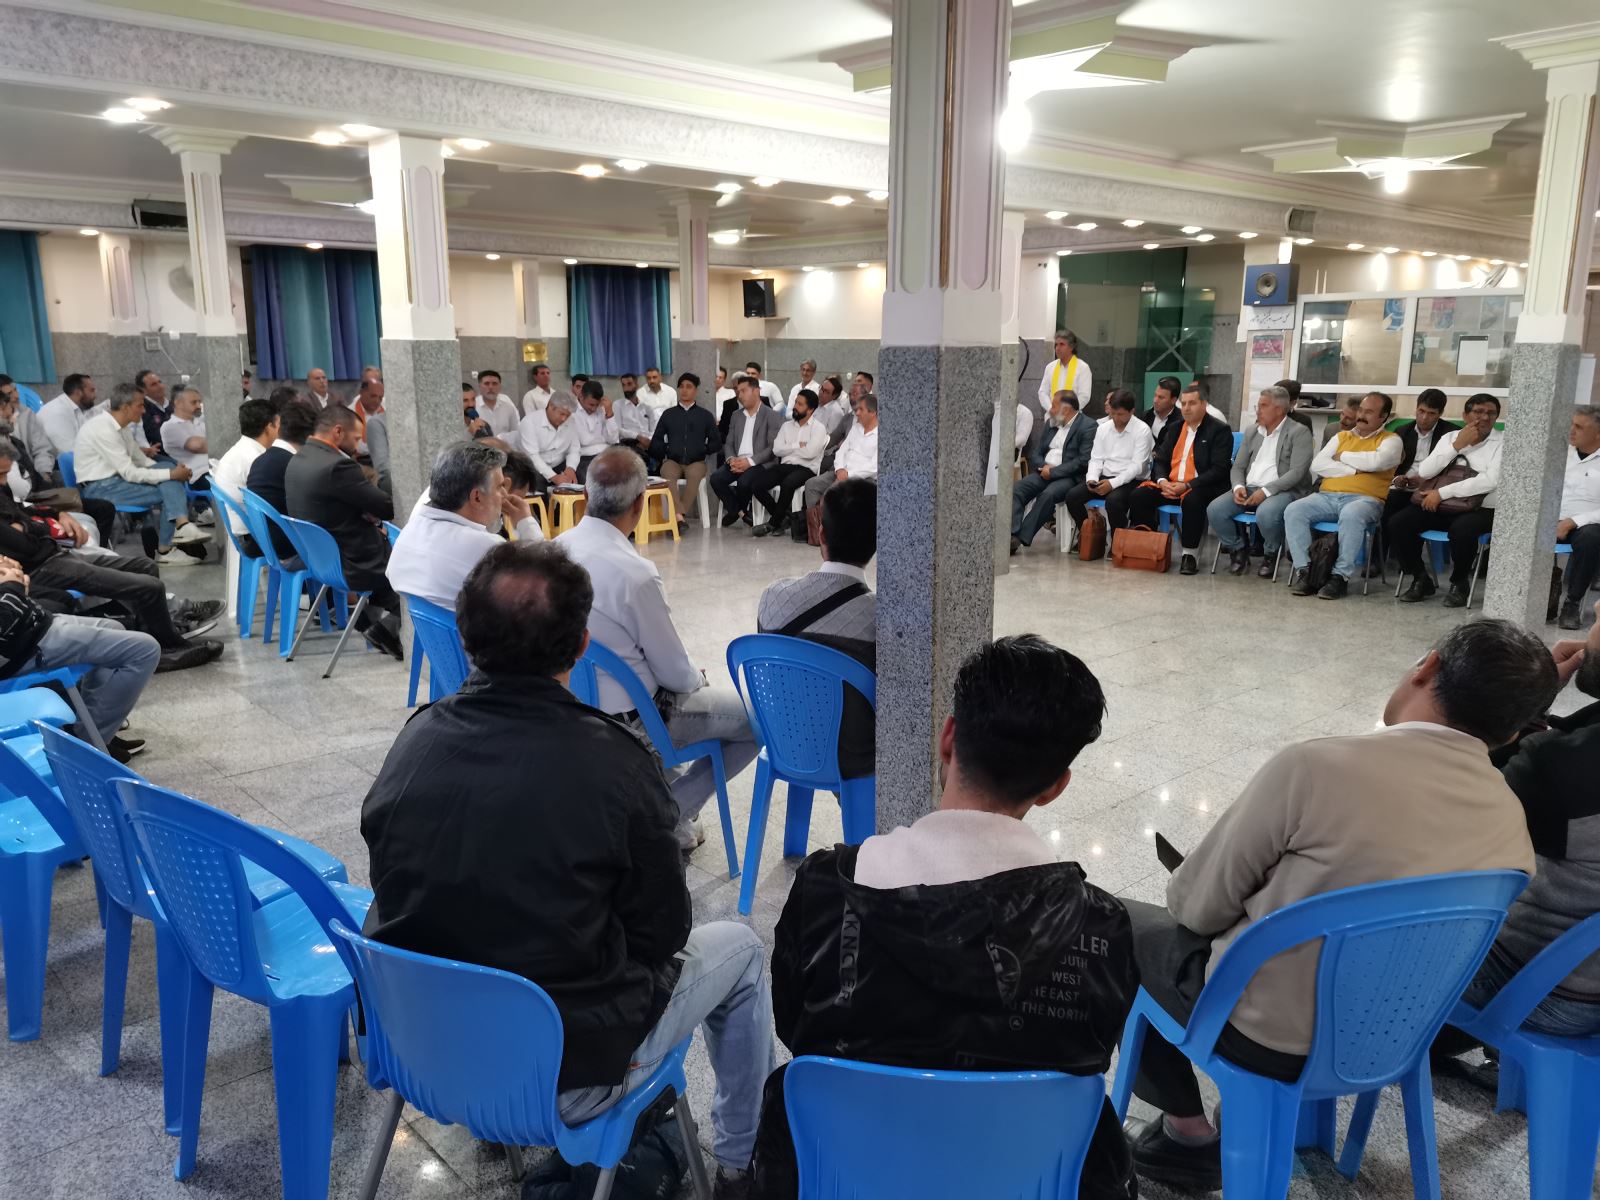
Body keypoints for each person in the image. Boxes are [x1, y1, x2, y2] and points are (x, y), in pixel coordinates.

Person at [361, 539, 773, 1199]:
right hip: (566, 1075)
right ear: (582, 646)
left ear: (464, 637)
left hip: (418, 1048)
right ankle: (739, 1166)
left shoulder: (414, 740)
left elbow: (398, 884)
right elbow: (663, 932)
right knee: (744, 950)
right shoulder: (616, 763)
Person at [1123, 618, 1558, 1192]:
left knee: (1117, 926)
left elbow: (1196, 908)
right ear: (1514, 731)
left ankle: (1186, 1135)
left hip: (1266, 1036)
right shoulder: (1510, 821)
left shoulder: (1315, 768)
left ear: (1427, 666)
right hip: (1399, 1036)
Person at [753, 634, 1138, 1200]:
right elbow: (1088, 1054)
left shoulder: (825, 893)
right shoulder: (1101, 928)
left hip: (851, 1176)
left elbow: (796, 1031)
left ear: (949, 737)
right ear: (1056, 788)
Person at [556, 448, 759, 848]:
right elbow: (674, 675)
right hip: (635, 719)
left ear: (585, 496)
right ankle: (668, 813)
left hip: (575, 704)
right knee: (757, 721)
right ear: (640, 504)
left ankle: (663, 810)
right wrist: (695, 678)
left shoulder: (554, 549)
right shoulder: (635, 574)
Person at [1439, 604, 1600, 1042]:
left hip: (1548, 993)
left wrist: (1525, 703)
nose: (1595, 607)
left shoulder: (1564, 769)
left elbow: (1443, 797)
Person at [0, 456, 221, 673]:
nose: (4, 481)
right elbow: (25, 544)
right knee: (150, 587)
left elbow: (23, 512)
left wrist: (56, 514)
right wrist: (40, 528)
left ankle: (156, 636)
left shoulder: (2, 490)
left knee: (146, 567)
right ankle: (168, 647)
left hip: (51, 554)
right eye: (1, 474)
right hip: (39, 567)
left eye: (6, 474)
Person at [756, 476, 877, 777]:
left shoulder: (772, 598)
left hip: (787, 745)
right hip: (855, 760)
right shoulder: (880, 619)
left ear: (821, 534)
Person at [0, 553, 158, 762]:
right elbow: (4, 619)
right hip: (25, 647)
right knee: (145, 650)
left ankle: (92, 730)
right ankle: (86, 747)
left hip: (36, 624)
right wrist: (13, 585)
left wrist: (14, 579)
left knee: (115, 627)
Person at [283, 404, 404, 659]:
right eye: (356, 438)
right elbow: (386, 507)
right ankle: (386, 626)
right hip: (357, 563)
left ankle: (370, 620)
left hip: (323, 561)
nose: (358, 446)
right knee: (419, 566)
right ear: (338, 432)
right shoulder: (338, 466)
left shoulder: (298, 459)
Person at [387, 440, 542, 610]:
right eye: (499, 487)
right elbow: (541, 580)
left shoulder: (410, 530)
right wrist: (526, 523)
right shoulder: (488, 549)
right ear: (477, 497)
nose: (504, 495)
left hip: (434, 626)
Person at [1283, 390, 1401, 600]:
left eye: (1369, 412)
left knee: (1351, 514)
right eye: (1361, 410)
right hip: (1327, 496)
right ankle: (1306, 572)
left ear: (1383, 416)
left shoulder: (1392, 440)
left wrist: (1342, 456)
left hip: (1366, 500)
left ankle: (1339, 577)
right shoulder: (1341, 436)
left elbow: (1377, 462)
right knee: (1294, 510)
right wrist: (1355, 470)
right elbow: (1318, 465)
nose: (1361, 415)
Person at [73, 383, 207, 566]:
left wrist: (171, 472)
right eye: (140, 405)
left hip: (117, 482)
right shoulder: (103, 429)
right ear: (125, 407)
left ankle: (180, 529)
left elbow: (143, 461)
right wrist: (170, 475)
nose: (144, 411)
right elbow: (129, 472)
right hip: (100, 488)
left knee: (167, 469)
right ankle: (168, 545)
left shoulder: (122, 428)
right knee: (169, 489)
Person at [1391, 394, 1502, 607]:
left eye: (1491, 413)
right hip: (1442, 505)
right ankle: (1420, 578)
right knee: (1399, 523)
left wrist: (1442, 493)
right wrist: (1457, 446)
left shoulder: (1503, 442)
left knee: (1462, 531)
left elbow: (1489, 481)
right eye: (1478, 412)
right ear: (1465, 415)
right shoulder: (1450, 438)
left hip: (1480, 508)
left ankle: (1459, 583)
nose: (1485, 417)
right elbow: (1426, 471)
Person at [1126, 381, 1234, 575]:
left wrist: (1187, 485)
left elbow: (1219, 470)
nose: (1186, 408)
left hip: (1202, 486)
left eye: (1192, 403)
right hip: (1172, 484)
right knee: (1139, 495)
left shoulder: (1219, 430)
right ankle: (1151, 546)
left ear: (1204, 405)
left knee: (1193, 500)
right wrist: (1162, 482)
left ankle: (1189, 555)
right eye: (1183, 404)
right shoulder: (1175, 428)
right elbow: (1161, 460)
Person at [1206, 385, 1314, 577]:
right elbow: (1238, 466)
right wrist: (1238, 486)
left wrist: (1265, 491)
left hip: (1285, 490)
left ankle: (1271, 553)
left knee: (1266, 513)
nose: (1258, 410)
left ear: (1279, 410)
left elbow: (1297, 472)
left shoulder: (1299, 432)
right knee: (1215, 509)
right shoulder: (1252, 431)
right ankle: (1238, 549)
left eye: (1263, 406)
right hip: (1250, 487)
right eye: (1258, 405)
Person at [1061, 388, 1154, 539]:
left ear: (1132, 411)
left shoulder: (1142, 430)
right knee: (1072, 496)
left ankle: (1118, 541)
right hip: (1105, 476)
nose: (1116, 418)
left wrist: (1112, 484)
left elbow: (1137, 467)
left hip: (1132, 480)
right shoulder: (1103, 428)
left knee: (1114, 501)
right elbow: (1096, 459)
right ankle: (1091, 536)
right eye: (1113, 413)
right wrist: (1092, 479)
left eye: (1120, 414)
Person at [1011, 390, 1093, 554]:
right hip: (1044, 471)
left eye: (1054, 406)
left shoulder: (1087, 426)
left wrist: (1054, 472)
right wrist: (1044, 467)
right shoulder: (1052, 423)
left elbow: (1082, 461)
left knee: (1048, 495)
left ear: (1066, 409)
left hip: (1068, 477)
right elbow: (1036, 452)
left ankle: (1019, 538)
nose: (1050, 410)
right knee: (1017, 489)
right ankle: (1012, 532)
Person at [1381, 388, 1459, 558]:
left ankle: (1404, 558)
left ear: (1440, 413)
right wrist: (1397, 479)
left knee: (1411, 513)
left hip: (1431, 490)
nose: (1424, 417)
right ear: (1416, 408)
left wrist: (1425, 480)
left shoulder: (1451, 433)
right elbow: (1390, 465)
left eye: (1431, 413)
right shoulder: (1402, 431)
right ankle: (1378, 559)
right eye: (1421, 411)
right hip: (1403, 487)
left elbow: (1453, 470)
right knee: (1387, 504)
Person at [750, 388, 827, 538]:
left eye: (800, 404)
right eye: (796, 402)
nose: (795, 406)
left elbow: (811, 453)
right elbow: (777, 450)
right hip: (785, 466)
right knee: (756, 484)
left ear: (810, 409)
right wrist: (798, 445)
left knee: (788, 483)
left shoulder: (819, 428)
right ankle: (783, 518)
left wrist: (789, 449)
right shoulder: (786, 426)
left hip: (806, 469)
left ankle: (772, 524)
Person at [245, 398, 316, 560]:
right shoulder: (293, 464)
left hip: (263, 538)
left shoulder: (261, 459)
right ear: (310, 436)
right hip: (285, 544)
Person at [711, 376, 783, 529]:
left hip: (760, 462)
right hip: (737, 461)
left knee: (744, 482)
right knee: (716, 478)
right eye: (738, 391)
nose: (740, 395)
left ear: (756, 391)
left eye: (744, 391)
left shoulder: (772, 415)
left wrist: (749, 462)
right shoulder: (736, 415)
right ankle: (741, 513)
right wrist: (731, 459)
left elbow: (772, 448)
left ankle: (735, 512)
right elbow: (729, 443)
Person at [651, 373, 720, 530]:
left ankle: (677, 515)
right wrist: (667, 449)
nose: (684, 390)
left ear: (696, 390)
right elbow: (656, 441)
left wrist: (703, 449)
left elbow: (716, 443)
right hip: (673, 461)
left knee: (694, 475)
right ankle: (679, 518)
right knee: (667, 473)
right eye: (681, 386)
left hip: (696, 462)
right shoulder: (669, 414)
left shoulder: (705, 416)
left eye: (689, 387)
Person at [1555, 405, 1600, 630]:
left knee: (1591, 538)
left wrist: (1574, 521)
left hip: (1586, 525)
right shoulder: (1559, 454)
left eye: (1579, 427)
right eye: (1572, 424)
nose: (1571, 430)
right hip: (1551, 519)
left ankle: (1572, 603)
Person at [802, 391, 878, 515]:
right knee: (811, 485)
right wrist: (840, 469)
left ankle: (830, 524)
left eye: (861, 410)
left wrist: (848, 474)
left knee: (834, 496)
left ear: (873, 413)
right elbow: (842, 451)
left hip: (863, 479)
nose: (857, 413)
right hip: (840, 472)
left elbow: (874, 467)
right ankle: (816, 524)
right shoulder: (856, 428)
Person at [213, 398, 279, 539]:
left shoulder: (243, 449)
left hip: (242, 526)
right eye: (279, 424)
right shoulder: (256, 458)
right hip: (252, 534)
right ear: (269, 427)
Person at [517, 392, 581, 492]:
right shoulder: (529, 422)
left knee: (579, 481)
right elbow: (532, 456)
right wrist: (554, 477)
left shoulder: (571, 421)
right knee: (538, 486)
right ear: (551, 406)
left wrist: (571, 468)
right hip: (533, 467)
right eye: (562, 414)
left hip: (558, 464)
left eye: (567, 415)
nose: (564, 419)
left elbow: (574, 449)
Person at [39, 373, 97, 469]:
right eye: (92, 390)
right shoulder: (57, 413)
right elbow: (71, 452)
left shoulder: (74, 406)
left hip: (74, 459)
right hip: (54, 467)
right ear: (78, 392)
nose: (95, 396)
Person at [1037, 329, 1093, 425]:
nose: (1057, 348)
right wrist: (1052, 408)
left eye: (1062, 344)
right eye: (1056, 345)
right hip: (1051, 418)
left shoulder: (1083, 368)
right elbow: (1042, 392)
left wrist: (1066, 411)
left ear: (1071, 347)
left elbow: (1084, 396)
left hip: (1072, 419)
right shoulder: (1050, 367)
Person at [159, 386, 210, 484]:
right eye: (193, 402)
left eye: (199, 402)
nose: (199, 406)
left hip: (215, 468)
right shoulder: (169, 426)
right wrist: (222, 443)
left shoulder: (201, 422)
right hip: (198, 475)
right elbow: (197, 446)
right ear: (178, 403)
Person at [571, 379, 619, 481]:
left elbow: (613, 439)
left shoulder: (602, 409)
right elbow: (584, 441)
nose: (593, 409)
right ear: (581, 396)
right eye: (591, 405)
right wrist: (602, 440)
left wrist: (610, 413)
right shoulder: (572, 412)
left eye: (597, 405)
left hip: (607, 455)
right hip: (585, 459)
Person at [356, 380, 391, 494]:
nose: (377, 401)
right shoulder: (350, 413)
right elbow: (358, 447)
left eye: (380, 398)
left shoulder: (384, 412)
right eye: (373, 396)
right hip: (363, 463)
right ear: (361, 392)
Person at [615, 373, 656, 460]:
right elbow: (618, 429)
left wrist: (648, 441)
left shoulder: (647, 407)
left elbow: (654, 429)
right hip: (629, 442)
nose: (626, 388)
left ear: (637, 385)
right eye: (623, 385)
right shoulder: (618, 405)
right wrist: (638, 437)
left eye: (629, 384)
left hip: (648, 442)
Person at [472, 369, 520, 440]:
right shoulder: (473, 407)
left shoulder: (508, 408)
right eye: (486, 383)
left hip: (504, 446)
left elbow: (515, 433)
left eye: (494, 384)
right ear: (479, 386)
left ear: (500, 386)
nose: (491, 387)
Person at [1140, 376, 1183, 443]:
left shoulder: (1181, 422)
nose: (1155, 400)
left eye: (1161, 397)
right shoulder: (1145, 417)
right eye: (1155, 395)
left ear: (1173, 400)